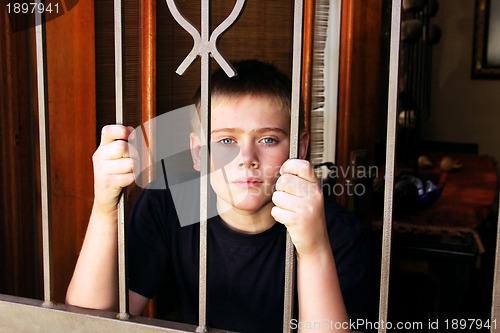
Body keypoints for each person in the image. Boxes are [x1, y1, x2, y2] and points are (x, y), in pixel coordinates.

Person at [66, 60, 370, 332]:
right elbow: (87, 324)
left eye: (268, 139)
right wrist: (105, 206)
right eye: (226, 140)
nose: (246, 157)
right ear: (198, 152)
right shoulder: (169, 204)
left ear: (300, 148)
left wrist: (314, 250)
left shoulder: (340, 233)